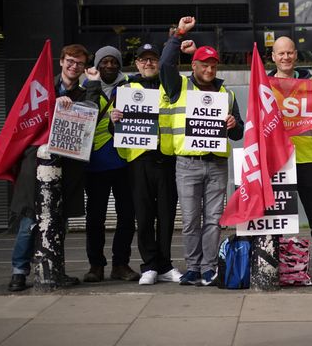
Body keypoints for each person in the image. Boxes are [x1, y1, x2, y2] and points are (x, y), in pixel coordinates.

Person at [8, 44, 101, 292]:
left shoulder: (84, 91)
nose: (74, 66)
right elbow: (24, 122)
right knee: (30, 221)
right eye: (70, 61)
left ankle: (55, 270)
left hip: (67, 167)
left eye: (80, 64)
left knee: (58, 223)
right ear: (61, 61)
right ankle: (19, 272)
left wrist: (93, 83)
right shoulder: (42, 90)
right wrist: (53, 103)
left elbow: (91, 115)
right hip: (36, 164)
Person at [159, 16, 244, 287]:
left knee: (214, 221)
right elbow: (164, 64)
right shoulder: (178, 87)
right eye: (203, 64)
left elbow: (239, 132)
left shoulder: (227, 95)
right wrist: (179, 34)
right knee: (191, 220)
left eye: (212, 64)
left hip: (217, 164)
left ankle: (208, 268)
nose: (209, 68)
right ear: (193, 65)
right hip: (187, 163)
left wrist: (233, 124)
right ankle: (193, 267)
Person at [110, 42, 183, 285]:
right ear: (137, 63)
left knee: (166, 216)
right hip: (138, 160)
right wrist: (114, 118)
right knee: (143, 216)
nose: (148, 63)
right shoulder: (125, 88)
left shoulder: (171, 86)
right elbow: (114, 128)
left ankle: (165, 265)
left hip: (166, 159)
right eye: (144, 59)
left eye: (153, 59)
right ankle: (149, 265)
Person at [268, 36, 312, 288]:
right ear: (273, 57)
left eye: (289, 53)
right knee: (274, 221)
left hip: (308, 158)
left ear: (296, 54)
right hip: (277, 161)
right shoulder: (263, 85)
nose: (285, 57)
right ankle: (271, 267)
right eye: (280, 54)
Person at [81, 46, 139, 283]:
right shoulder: (85, 88)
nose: (109, 66)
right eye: (104, 61)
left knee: (127, 217)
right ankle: (96, 266)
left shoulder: (130, 87)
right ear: (97, 64)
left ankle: (121, 264)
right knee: (95, 219)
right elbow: (85, 115)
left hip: (125, 162)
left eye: (114, 62)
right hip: (94, 164)